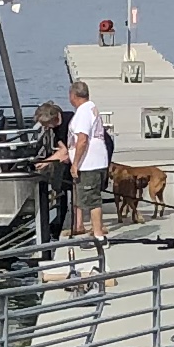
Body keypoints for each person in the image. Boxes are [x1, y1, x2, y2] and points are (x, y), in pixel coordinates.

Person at [70, 79, 116, 243]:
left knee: (92, 200)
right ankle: (97, 233)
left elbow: (82, 140)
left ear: (73, 95)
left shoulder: (83, 112)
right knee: (91, 199)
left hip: (89, 164)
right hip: (97, 161)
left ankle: (98, 236)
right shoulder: (91, 108)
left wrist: (75, 163)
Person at [30, 93, 74, 246]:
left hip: (82, 156)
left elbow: (66, 151)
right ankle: (64, 216)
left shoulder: (70, 122)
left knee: (73, 185)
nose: (45, 128)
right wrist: (46, 162)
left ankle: (76, 223)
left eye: (45, 124)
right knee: (63, 185)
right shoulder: (55, 129)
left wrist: (45, 162)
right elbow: (63, 149)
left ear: (53, 119)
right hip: (70, 155)